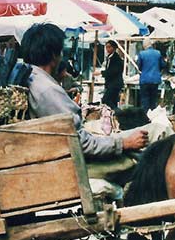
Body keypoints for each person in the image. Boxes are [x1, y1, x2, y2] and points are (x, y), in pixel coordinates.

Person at [21, 23, 147, 159]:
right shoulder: (47, 90)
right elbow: (80, 142)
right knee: (156, 131)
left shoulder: (33, 78)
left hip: (68, 147)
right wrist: (124, 143)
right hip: (74, 157)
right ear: (54, 55)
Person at [136, 39, 165, 111]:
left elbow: (139, 66)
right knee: (153, 100)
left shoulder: (142, 54)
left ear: (144, 45)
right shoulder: (158, 53)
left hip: (145, 79)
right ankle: (152, 115)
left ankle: (145, 116)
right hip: (155, 79)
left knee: (144, 99)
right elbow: (163, 65)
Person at [101, 40, 123, 109]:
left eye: (109, 47)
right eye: (106, 47)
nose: (107, 49)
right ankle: (114, 115)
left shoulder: (116, 58)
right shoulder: (109, 58)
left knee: (106, 99)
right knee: (113, 101)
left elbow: (113, 71)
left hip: (115, 83)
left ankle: (117, 112)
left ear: (113, 48)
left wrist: (102, 73)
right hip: (110, 83)